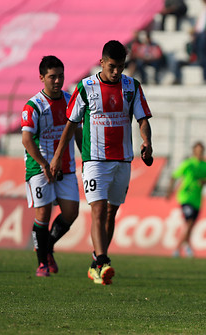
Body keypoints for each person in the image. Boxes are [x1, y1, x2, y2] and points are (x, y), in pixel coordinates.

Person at [50, 40, 154, 286]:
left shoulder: (132, 87)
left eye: (121, 66)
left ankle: (96, 261)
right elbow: (71, 124)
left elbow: (142, 119)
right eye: (112, 66)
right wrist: (57, 156)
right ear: (102, 63)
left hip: (123, 159)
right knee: (97, 210)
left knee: (111, 213)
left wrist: (147, 141)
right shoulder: (86, 87)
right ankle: (103, 261)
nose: (117, 72)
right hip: (95, 160)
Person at [21, 56, 82, 277]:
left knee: (71, 212)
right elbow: (27, 140)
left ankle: (47, 248)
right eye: (52, 77)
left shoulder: (70, 100)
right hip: (39, 168)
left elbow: (76, 131)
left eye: (61, 76)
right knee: (44, 213)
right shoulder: (33, 105)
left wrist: (86, 154)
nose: (57, 81)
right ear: (42, 78)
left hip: (65, 165)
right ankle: (42, 264)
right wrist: (44, 164)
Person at [166, 141, 206, 258]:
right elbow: (174, 176)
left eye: (201, 151)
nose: (199, 153)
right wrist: (170, 191)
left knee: (191, 225)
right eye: (197, 151)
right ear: (194, 152)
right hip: (185, 196)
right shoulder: (188, 164)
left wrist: (205, 181)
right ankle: (177, 249)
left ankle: (187, 247)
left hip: (197, 200)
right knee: (189, 222)